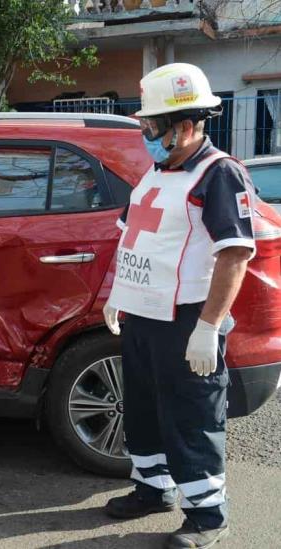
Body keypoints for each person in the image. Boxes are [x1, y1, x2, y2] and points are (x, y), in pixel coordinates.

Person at [102, 63, 255, 549]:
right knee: (144, 410)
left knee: (192, 416)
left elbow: (233, 254)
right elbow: (131, 241)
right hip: (143, 319)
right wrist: (115, 295)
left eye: (152, 126)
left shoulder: (219, 174)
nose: (145, 133)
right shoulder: (155, 172)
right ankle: (152, 488)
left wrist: (208, 327)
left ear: (186, 126)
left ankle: (208, 516)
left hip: (188, 319)